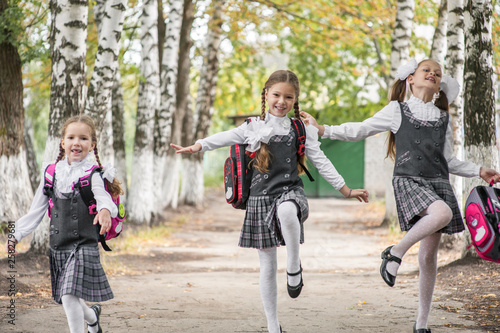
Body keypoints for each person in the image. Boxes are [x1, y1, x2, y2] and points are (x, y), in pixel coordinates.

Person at [301, 59, 500, 333]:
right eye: (426, 70)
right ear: (410, 79)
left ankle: (421, 324)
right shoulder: (398, 110)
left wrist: (479, 170)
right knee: (441, 213)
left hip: (438, 183)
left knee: (429, 256)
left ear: (440, 86)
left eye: (437, 73)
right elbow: (361, 129)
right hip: (409, 180)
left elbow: (448, 161)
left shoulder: (444, 118)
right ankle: (394, 253)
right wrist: (324, 130)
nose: (432, 73)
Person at [171, 70, 369, 333]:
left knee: (288, 211)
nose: (281, 101)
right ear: (266, 94)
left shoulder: (301, 127)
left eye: (288, 96)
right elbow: (226, 136)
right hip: (259, 199)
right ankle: (273, 326)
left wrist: (346, 189)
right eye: (276, 94)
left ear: (295, 99)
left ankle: (294, 265)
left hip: (289, 190)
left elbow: (320, 160)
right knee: (266, 265)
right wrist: (198, 146)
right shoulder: (252, 126)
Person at [6, 115, 123, 333]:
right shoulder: (51, 173)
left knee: (69, 295)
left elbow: (103, 197)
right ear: (63, 142)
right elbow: (36, 211)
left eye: (83, 138)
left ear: (92, 145)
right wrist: (16, 233)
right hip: (59, 246)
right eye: (71, 137)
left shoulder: (93, 174)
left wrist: (105, 210)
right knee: (68, 297)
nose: (76, 143)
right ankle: (93, 318)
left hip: (84, 246)